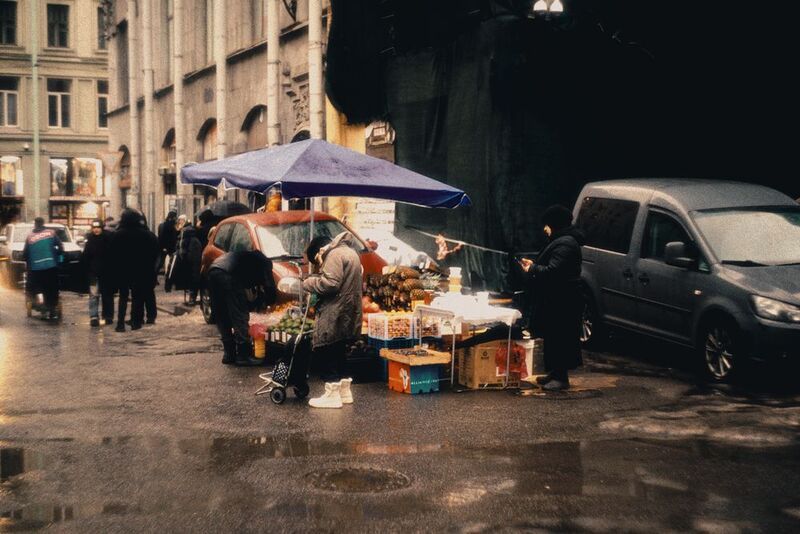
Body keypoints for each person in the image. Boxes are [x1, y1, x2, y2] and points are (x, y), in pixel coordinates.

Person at [520, 205, 584, 391]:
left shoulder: (565, 243)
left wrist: (532, 269)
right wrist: (534, 265)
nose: (544, 229)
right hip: (558, 298)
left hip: (563, 300)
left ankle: (561, 378)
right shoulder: (563, 241)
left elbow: (554, 272)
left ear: (554, 224)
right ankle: (555, 373)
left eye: (547, 225)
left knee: (560, 337)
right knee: (553, 336)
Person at [302, 232, 363, 409]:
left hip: (335, 309)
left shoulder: (334, 254)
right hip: (349, 308)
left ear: (319, 252)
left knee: (326, 348)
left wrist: (308, 283)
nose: (320, 263)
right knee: (339, 349)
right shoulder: (351, 252)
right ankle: (344, 392)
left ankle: (331, 395)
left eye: (317, 260)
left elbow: (330, 283)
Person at [208, 250, 276, 366]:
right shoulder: (265, 262)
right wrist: (272, 300)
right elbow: (269, 285)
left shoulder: (248, 257)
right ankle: (243, 355)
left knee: (222, 314)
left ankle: (229, 354)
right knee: (240, 315)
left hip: (213, 271)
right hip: (228, 275)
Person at [111, 209, 160, 331]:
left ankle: (120, 323)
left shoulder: (117, 234)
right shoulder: (147, 235)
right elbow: (155, 253)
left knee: (123, 297)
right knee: (137, 297)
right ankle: (135, 322)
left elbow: (111, 254)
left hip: (122, 270)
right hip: (141, 270)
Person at [22, 217, 63, 320]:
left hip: (36, 268)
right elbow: (60, 247)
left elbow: (25, 254)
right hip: (51, 266)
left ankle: (39, 304)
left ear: (35, 225)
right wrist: (57, 255)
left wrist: (29, 263)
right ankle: (52, 309)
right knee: (52, 288)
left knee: (35, 287)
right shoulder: (51, 233)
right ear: (43, 224)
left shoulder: (30, 237)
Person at [81, 219, 115, 327]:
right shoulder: (90, 240)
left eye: (98, 228)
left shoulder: (109, 238)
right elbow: (86, 256)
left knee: (107, 295)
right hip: (93, 273)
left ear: (102, 228)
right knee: (94, 295)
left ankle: (108, 316)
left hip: (107, 272)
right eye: (94, 228)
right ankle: (94, 316)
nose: (96, 230)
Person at [170, 221, 203, 305]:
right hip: (192, 265)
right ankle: (192, 298)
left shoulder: (185, 241)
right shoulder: (193, 241)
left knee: (191, 282)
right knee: (192, 282)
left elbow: (184, 252)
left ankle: (191, 298)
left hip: (188, 264)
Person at [158, 211, 178, 289]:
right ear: (172, 217)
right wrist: (164, 247)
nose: (176, 218)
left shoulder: (165, 224)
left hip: (166, 246)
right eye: (175, 217)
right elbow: (166, 236)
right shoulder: (169, 225)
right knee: (166, 263)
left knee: (161, 263)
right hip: (168, 247)